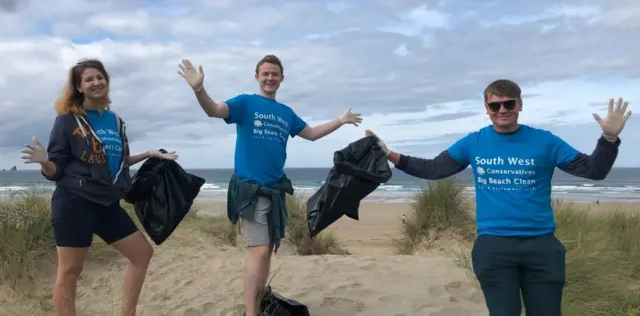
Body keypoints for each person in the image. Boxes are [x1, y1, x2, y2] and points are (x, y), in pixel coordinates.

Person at [365, 79, 631, 316]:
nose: (502, 110)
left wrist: (609, 137)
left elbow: (594, 170)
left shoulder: (546, 141)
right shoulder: (473, 142)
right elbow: (433, 169)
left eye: (508, 103)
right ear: (486, 108)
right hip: (494, 247)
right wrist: (389, 153)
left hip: (542, 247)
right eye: (495, 106)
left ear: (520, 105)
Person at [177, 54, 362, 316]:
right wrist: (199, 89)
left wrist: (339, 121)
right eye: (265, 74)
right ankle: (251, 312)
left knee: (267, 251)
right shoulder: (245, 103)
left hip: (274, 190)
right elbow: (215, 110)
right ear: (257, 76)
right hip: (250, 189)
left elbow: (311, 134)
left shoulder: (286, 113)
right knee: (260, 251)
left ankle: (260, 297)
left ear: (281, 78)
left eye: (275, 74)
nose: (270, 78)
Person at [21, 59, 179, 316]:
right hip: (74, 203)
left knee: (142, 254)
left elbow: (117, 162)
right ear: (79, 87)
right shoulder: (68, 121)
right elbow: (56, 171)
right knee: (70, 271)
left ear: (106, 80)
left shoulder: (116, 122)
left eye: (100, 77)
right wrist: (45, 161)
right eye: (88, 79)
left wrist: (150, 153)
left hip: (107, 203)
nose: (96, 83)